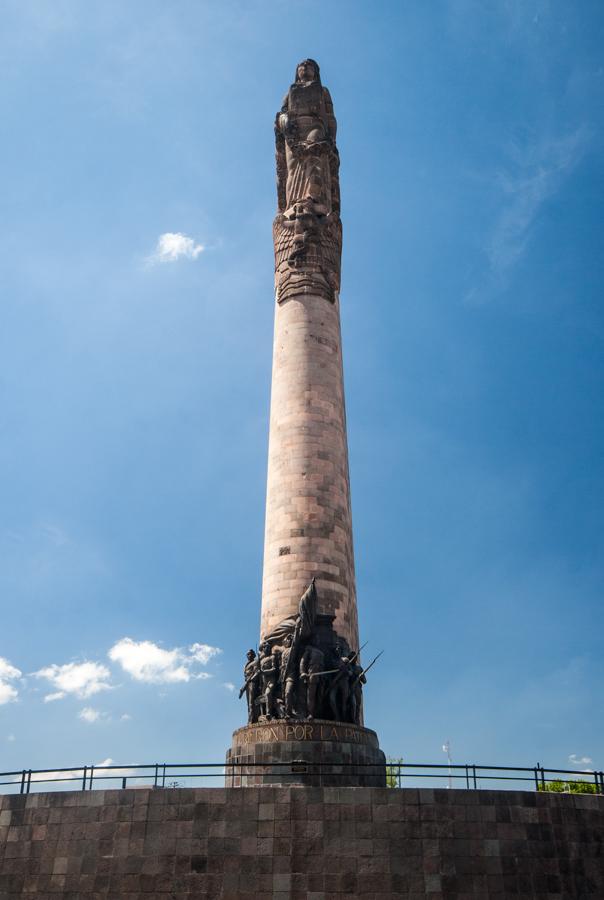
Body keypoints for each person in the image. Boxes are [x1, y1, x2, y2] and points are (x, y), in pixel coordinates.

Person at [239, 649, 260, 724]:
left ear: (254, 655)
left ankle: (253, 719)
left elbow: (257, 672)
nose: (249, 655)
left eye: (251, 654)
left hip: (253, 683)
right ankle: (250, 718)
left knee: (252, 702)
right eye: (248, 654)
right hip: (247, 683)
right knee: (248, 703)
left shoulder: (256, 662)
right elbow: (245, 675)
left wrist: (251, 679)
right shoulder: (245, 665)